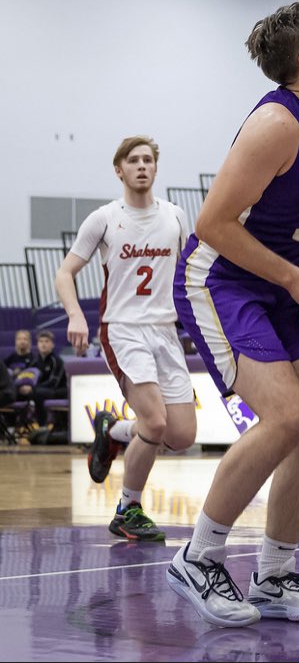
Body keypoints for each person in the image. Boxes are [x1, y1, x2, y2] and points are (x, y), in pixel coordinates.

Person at [168, 0, 299, 628]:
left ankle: (274, 577)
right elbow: (211, 225)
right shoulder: (275, 126)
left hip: (285, 274)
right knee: (286, 413)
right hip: (221, 276)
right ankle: (198, 558)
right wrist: (297, 278)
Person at [54, 136, 196, 543]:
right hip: (123, 329)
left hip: (165, 331)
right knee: (154, 421)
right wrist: (76, 315)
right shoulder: (104, 218)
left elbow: (192, 272)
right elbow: (65, 274)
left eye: (148, 160)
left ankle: (112, 430)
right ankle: (127, 509)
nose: (141, 166)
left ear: (155, 168)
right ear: (119, 170)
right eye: (132, 160)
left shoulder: (175, 216)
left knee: (181, 435)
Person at [29, 329, 67, 428]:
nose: (43, 344)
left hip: (59, 390)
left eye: (46, 341)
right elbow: (28, 377)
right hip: (41, 389)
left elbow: (53, 382)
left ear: (52, 345)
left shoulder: (57, 361)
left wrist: (33, 388)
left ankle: (42, 425)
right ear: (37, 344)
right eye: (41, 342)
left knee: (38, 393)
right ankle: (12, 424)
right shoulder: (34, 362)